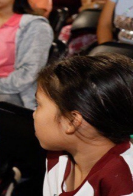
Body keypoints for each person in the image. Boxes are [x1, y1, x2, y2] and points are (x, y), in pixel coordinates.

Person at [35, 53, 133, 195]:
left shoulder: (123, 183)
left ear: (72, 121)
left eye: (38, 104)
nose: (33, 113)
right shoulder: (57, 156)